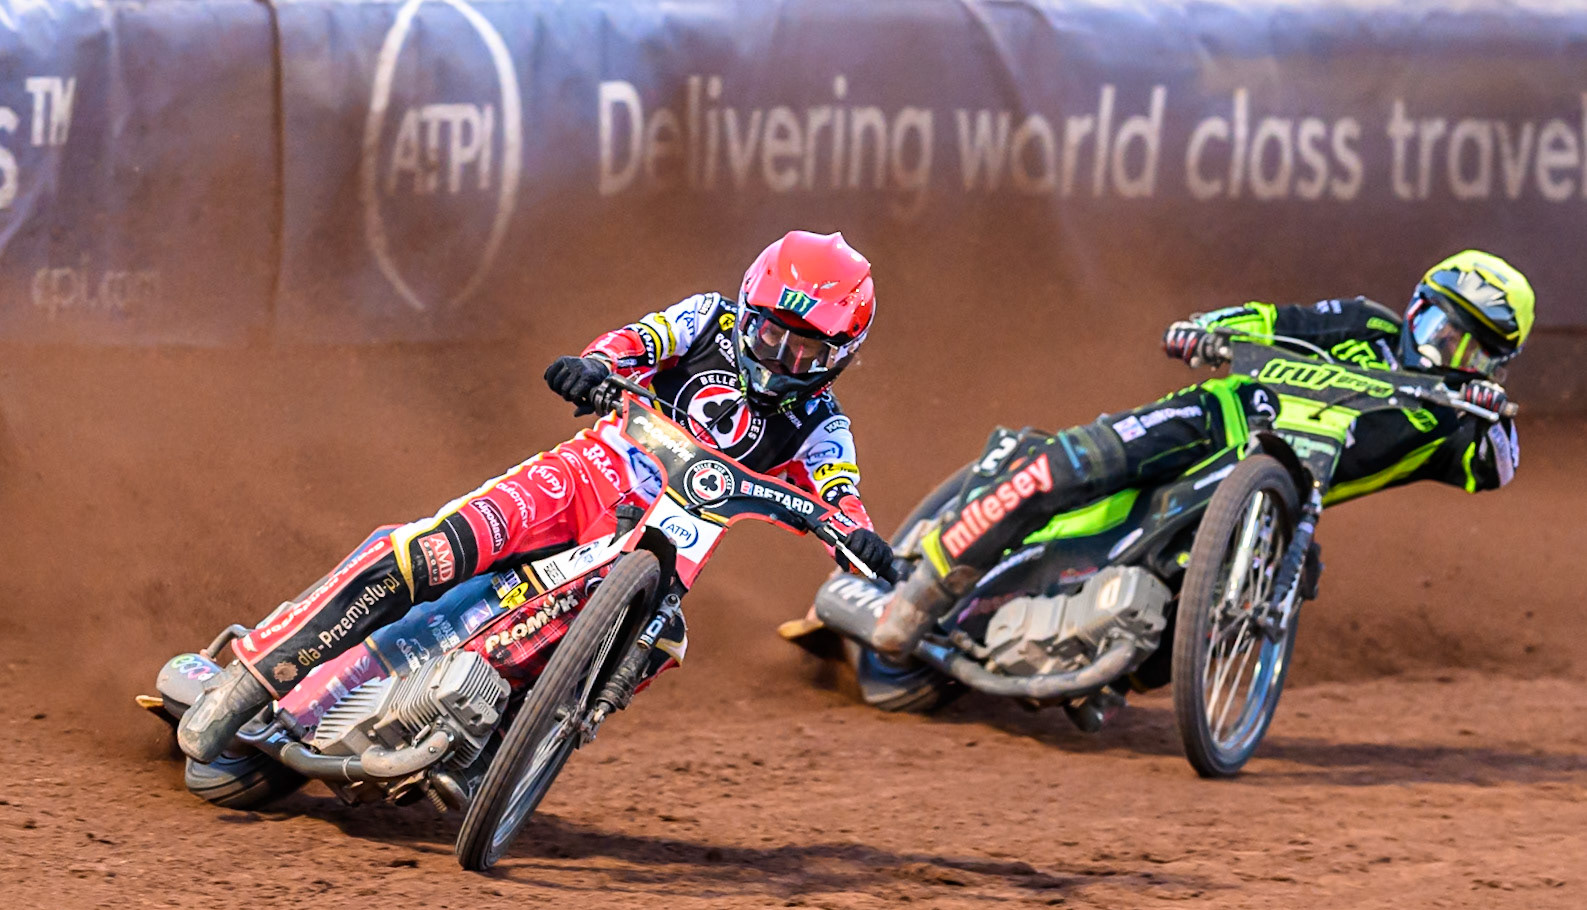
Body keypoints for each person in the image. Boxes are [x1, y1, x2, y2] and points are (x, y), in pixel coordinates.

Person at [179, 230, 896, 763]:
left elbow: (841, 497)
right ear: (746, 308)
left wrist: (859, 540)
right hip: (587, 474)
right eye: (772, 333)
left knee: (656, 639)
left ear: (839, 356)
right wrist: (590, 368)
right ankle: (252, 671)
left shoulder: (822, 425)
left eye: (805, 350)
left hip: (666, 553)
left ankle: (497, 748)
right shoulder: (705, 318)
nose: (781, 357)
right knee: (432, 548)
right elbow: (631, 343)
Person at [872, 249, 1533, 656]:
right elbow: (1271, 320)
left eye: (1469, 346)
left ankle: (1127, 657)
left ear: (1494, 364)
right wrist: (1206, 329)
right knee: (1068, 467)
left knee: (1290, 579)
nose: (1444, 349)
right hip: (1214, 417)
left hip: (1274, 504)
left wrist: (1496, 412)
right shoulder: (1362, 321)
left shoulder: (1451, 425)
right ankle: (926, 584)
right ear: (1414, 306)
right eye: (1438, 326)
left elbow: (1497, 469)